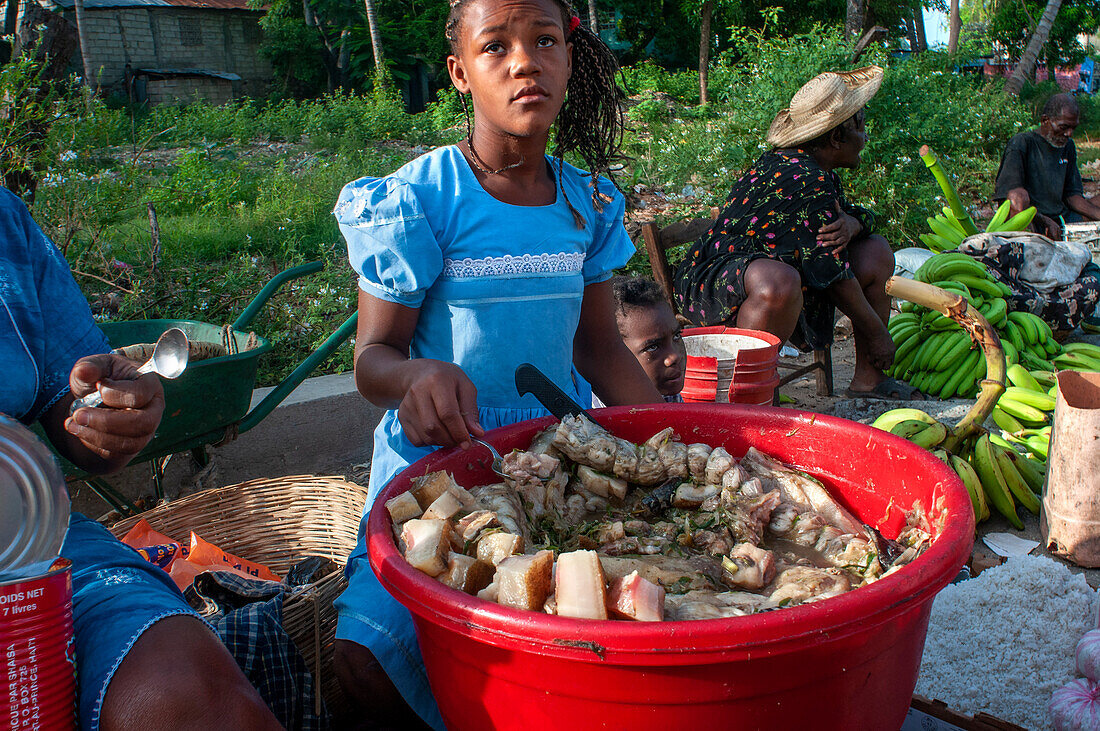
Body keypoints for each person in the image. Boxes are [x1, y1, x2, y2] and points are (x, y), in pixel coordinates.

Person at [329, 1, 663, 728]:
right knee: (364, 659)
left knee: (583, 631)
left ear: (568, 61)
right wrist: (414, 378)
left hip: (560, 455)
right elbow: (372, 360)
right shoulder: (419, 201)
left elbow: (599, 349)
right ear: (459, 72)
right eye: (496, 47)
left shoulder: (586, 203)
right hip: (443, 466)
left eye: (544, 41)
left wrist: (673, 440)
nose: (524, 62)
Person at [0, 186, 281, 731]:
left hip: (33, 548)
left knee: (197, 704)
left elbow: (74, 407)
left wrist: (112, 415)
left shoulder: (5, 222)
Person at [673, 66, 908, 400]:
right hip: (715, 285)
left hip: (769, 274)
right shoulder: (804, 178)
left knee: (875, 250)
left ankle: (868, 381)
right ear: (836, 137)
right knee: (777, 284)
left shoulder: (814, 170)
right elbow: (831, 273)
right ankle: (744, 402)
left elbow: (841, 226)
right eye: (860, 126)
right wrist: (877, 334)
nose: (865, 136)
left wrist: (855, 223)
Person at [994, 92, 1100, 240]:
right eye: (1064, 127)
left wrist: (1097, 215)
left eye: (1073, 128)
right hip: (1032, 221)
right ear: (1045, 120)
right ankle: (1030, 243)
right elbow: (1008, 200)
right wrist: (1043, 220)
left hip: (1061, 218)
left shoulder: (1067, 146)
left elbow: (1072, 195)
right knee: (1018, 196)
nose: (1069, 133)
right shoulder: (1022, 143)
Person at [591, 276, 686, 407]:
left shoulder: (669, 397)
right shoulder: (597, 414)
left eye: (676, 336)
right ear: (615, 355)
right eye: (652, 347)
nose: (675, 356)